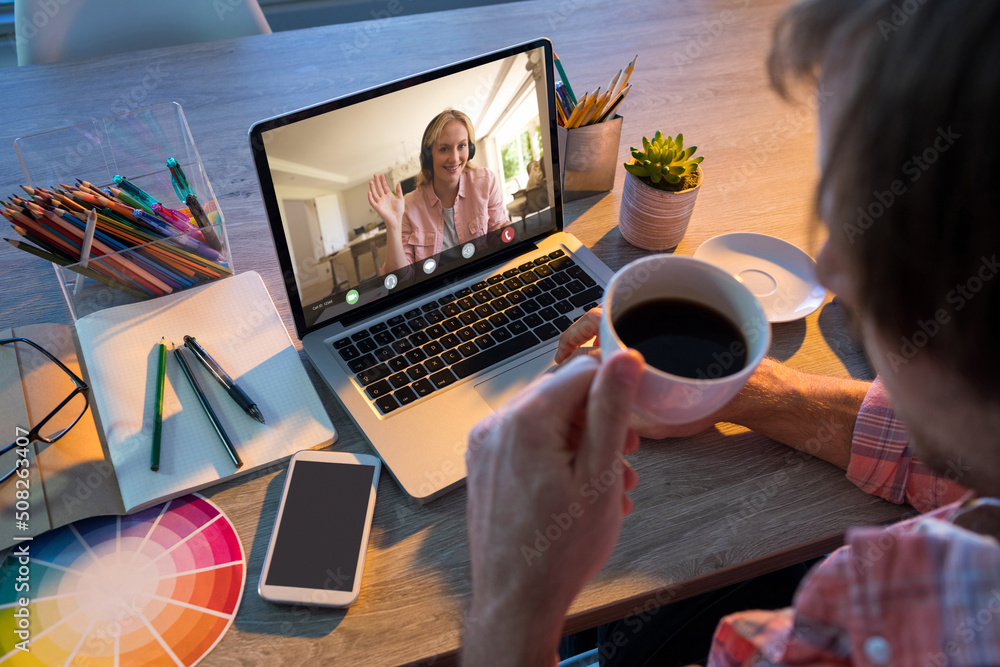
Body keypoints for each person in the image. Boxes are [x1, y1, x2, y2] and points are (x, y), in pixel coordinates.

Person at [461, 0, 1000, 664]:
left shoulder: (864, 633)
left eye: (867, 224)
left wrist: (510, 605)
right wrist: (741, 391)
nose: (833, 266)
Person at [368, 108, 509, 275]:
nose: (455, 158)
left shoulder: (485, 181)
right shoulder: (408, 207)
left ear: (470, 149)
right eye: (444, 149)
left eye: (462, 146)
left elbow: (498, 236)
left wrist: (510, 235)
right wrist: (393, 225)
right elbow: (401, 279)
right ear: (429, 156)